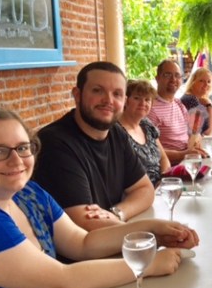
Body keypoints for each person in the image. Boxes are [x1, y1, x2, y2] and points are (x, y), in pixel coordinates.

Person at [0, 106, 199, 288]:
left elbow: (81, 242)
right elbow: (62, 280)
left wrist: (152, 229)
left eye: (23, 148)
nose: (16, 160)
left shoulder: (27, 193)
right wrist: (148, 264)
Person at [33, 61, 155, 231]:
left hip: (110, 241)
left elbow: (145, 189)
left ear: (124, 101)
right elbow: (87, 223)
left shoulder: (116, 133)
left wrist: (117, 213)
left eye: (117, 94)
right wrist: (151, 232)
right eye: (97, 90)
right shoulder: (54, 142)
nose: (108, 100)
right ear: (77, 95)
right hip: (77, 255)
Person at [148, 59, 207, 165]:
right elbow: (150, 150)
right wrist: (184, 154)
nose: (173, 79)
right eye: (167, 75)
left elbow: (192, 133)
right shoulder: (150, 108)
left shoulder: (178, 104)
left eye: (177, 75)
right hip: (170, 168)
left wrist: (196, 141)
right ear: (157, 79)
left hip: (187, 161)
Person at [119, 79, 171, 188]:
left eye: (147, 99)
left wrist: (163, 181)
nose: (143, 103)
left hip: (160, 187)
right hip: (136, 192)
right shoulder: (117, 131)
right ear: (126, 101)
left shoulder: (146, 124)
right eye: (137, 98)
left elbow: (163, 158)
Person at [180, 67, 212, 136]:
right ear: (193, 82)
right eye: (201, 81)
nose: (206, 84)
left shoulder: (192, 98)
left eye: (209, 81)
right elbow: (207, 131)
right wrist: (209, 106)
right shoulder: (191, 99)